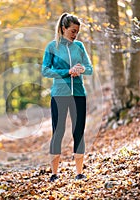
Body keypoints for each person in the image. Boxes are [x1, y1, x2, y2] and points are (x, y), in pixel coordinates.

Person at [41, 12, 93, 182]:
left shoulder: (79, 46)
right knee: (58, 132)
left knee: (78, 131)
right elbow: (45, 70)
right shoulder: (52, 47)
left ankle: (79, 173)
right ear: (63, 28)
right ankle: (54, 174)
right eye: (72, 31)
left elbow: (90, 68)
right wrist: (66, 72)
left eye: (77, 31)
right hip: (59, 95)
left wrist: (82, 69)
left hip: (78, 94)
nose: (75, 34)